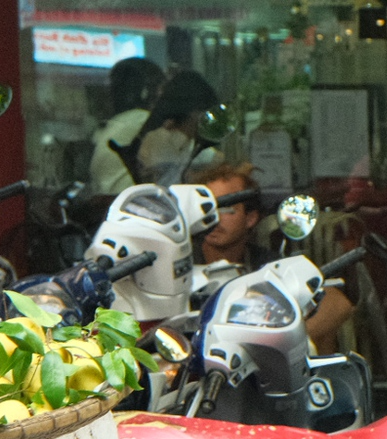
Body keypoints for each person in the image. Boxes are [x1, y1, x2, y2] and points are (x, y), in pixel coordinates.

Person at [192, 163, 355, 353]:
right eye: (208, 208)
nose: (215, 218)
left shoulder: (265, 264)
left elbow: (337, 304)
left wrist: (286, 344)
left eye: (228, 209)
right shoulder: (181, 264)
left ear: (251, 218)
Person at [89, 58, 164, 194]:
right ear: (146, 91)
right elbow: (202, 155)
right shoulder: (142, 120)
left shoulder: (113, 125)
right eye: (160, 88)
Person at [133, 70, 220, 185]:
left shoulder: (188, 141)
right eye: (206, 113)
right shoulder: (157, 140)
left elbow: (212, 157)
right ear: (193, 112)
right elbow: (169, 186)